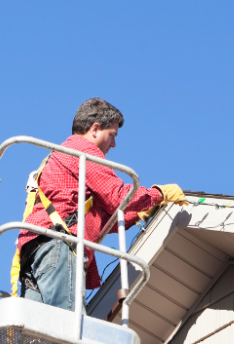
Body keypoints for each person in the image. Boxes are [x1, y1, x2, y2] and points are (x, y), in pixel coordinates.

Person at [13, 97, 185, 311]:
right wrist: (158, 194)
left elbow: (99, 218)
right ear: (95, 129)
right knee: (66, 329)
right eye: (111, 135)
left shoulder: (61, 155)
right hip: (58, 245)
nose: (113, 144)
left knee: (37, 332)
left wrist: (140, 212)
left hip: (36, 250)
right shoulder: (82, 151)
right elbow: (117, 196)